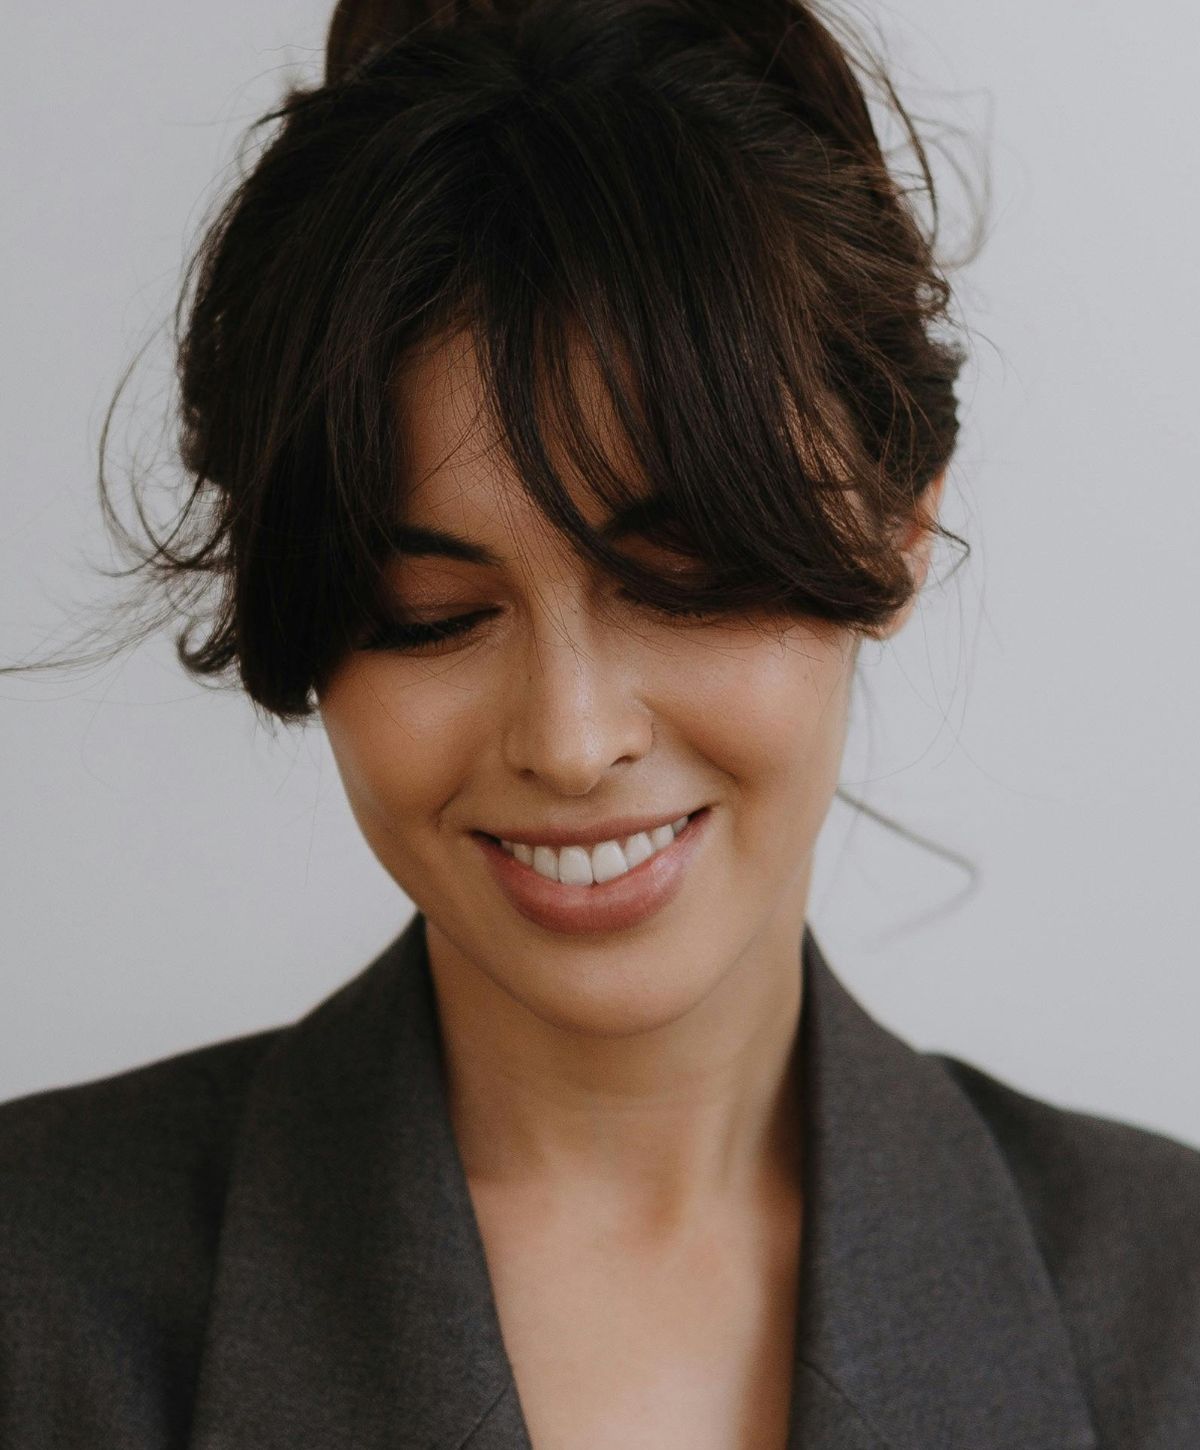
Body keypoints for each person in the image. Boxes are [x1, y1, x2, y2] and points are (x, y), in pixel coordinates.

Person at [1, 0, 1198, 1446]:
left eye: (679, 581)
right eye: (428, 610)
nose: (569, 739)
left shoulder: (1167, 1309)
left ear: (896, 531)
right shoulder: (42, 1287)